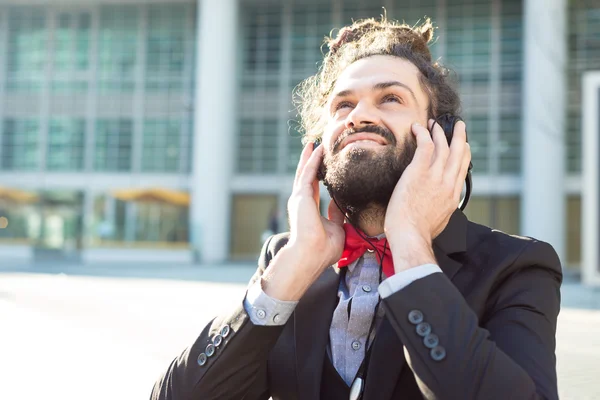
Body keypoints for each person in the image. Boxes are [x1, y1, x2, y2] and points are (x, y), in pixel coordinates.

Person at [151, 17, 562, 400]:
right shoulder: (285, 260)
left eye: (390, 99)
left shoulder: (518, 266)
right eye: (342, 106)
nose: (359, 116)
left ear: (443, 139)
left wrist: (411, 248)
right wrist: (292, 268)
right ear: (315, 148)